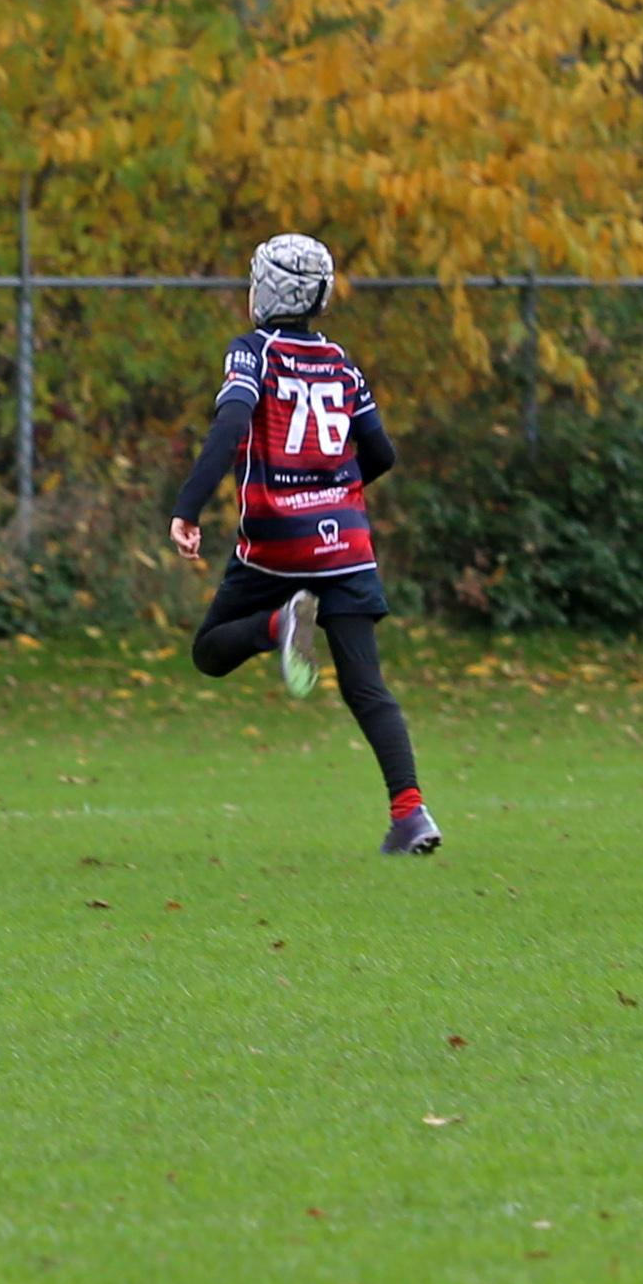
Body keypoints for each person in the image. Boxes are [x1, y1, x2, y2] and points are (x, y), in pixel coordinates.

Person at [168, 234, 437, 856]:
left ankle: (278, 625)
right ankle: (411, 814)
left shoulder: (254, 352)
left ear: (265, 290)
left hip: (275, 544)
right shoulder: (341, 363)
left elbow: (233, 422)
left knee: (210, 650)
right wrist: (333, 494)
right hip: (344, 543)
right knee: (366, 687)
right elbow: (382, 454)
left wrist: (188, 508)